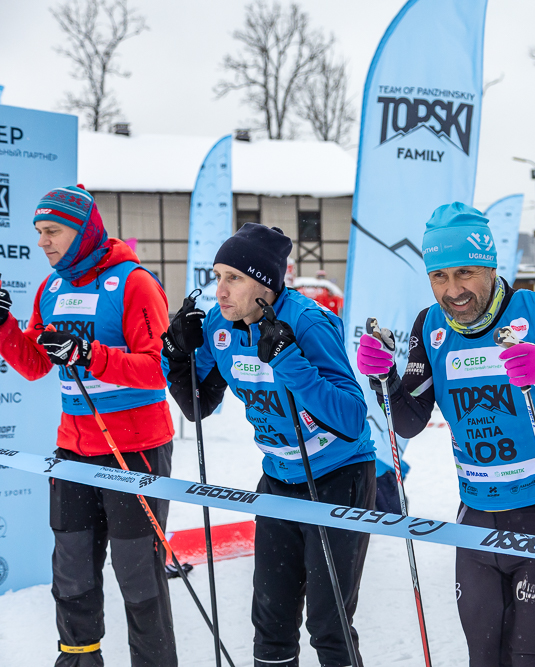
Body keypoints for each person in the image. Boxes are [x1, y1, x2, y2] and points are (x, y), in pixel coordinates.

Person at [355, 202, 535, 667]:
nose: (453, 291)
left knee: (532, 661)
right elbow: (409, 420)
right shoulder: (430, 326)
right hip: (475, 515)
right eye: (439, 276)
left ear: (490, 266)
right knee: (483, 659)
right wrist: (384, 379)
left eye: (465, 273)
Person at [161, 223, 376, 667]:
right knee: (271, 624)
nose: (220, 290)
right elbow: (198, 405)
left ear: (266, 285)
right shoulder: (220, 325)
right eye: (218, 277)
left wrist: (289, 361)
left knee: (329, 625)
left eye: (234, 278)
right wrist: (177, 356)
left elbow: (352, 419)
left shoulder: (307, 322)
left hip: (338, 477)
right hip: (279, 479)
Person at [0, 185, 176, 666]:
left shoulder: (134, 283)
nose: (43, 242)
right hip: (74, 450)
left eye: (52, 231)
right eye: (39, 231)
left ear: (83, 231)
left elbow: (159, 368)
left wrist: (89, 355)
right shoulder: (51, 289)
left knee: (138, 577)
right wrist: (4, 326)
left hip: (135, 449)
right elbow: (34, 364)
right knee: (72, 574)